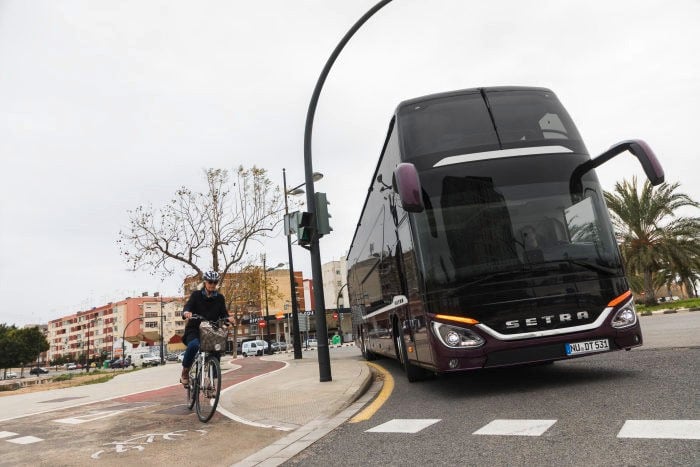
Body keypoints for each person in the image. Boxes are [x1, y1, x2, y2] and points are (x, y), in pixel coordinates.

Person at [180, 270, 233, 385]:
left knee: (216, 351)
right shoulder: (196, 295)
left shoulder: (220, 298)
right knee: (194, 346)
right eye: (210, 282)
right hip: (195, 329)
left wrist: (228, 319)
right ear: (205, 282)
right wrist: (187, 312)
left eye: (215, 282)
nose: (212, 285)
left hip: (211, 331)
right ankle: (185, 371)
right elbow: (188, 306)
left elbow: (223, 314)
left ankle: (213, 383)